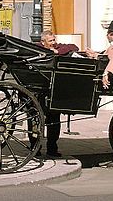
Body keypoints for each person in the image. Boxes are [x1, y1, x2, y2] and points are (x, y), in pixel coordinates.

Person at [34, 30, 79, 159]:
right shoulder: (37, 48)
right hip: (38, 90)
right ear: (43, 42)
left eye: (54, 40)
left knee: (54, 120)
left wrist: (57, 51)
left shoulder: (57, 47)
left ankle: (52, 148)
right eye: (50, 41)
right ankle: (35, 148)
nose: (53, 43)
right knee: (35, 120)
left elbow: (73, 47)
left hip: (54, 90)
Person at [85, 20, 113, 89]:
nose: (106, 36)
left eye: (108, 33)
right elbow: (107, 56)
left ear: (112, 35)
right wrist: (94, 54)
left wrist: (106, 73)